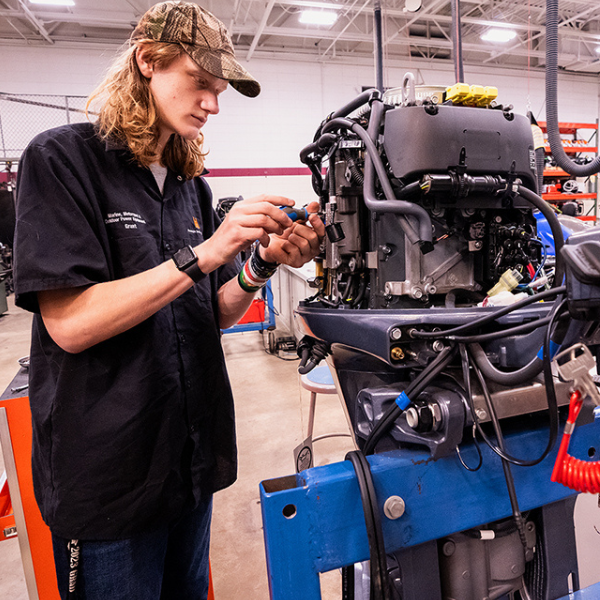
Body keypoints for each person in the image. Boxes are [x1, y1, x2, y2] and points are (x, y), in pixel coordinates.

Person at [12, 2, 324, 599]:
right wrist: (205, 253)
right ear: (147, 62)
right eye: (200, 83)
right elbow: (71, 325)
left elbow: (211, 312)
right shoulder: (61, 161)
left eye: (220, 89)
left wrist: (261, 263)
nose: (212, 102)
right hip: (111, 479)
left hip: (189, 464)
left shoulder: (189, 186)